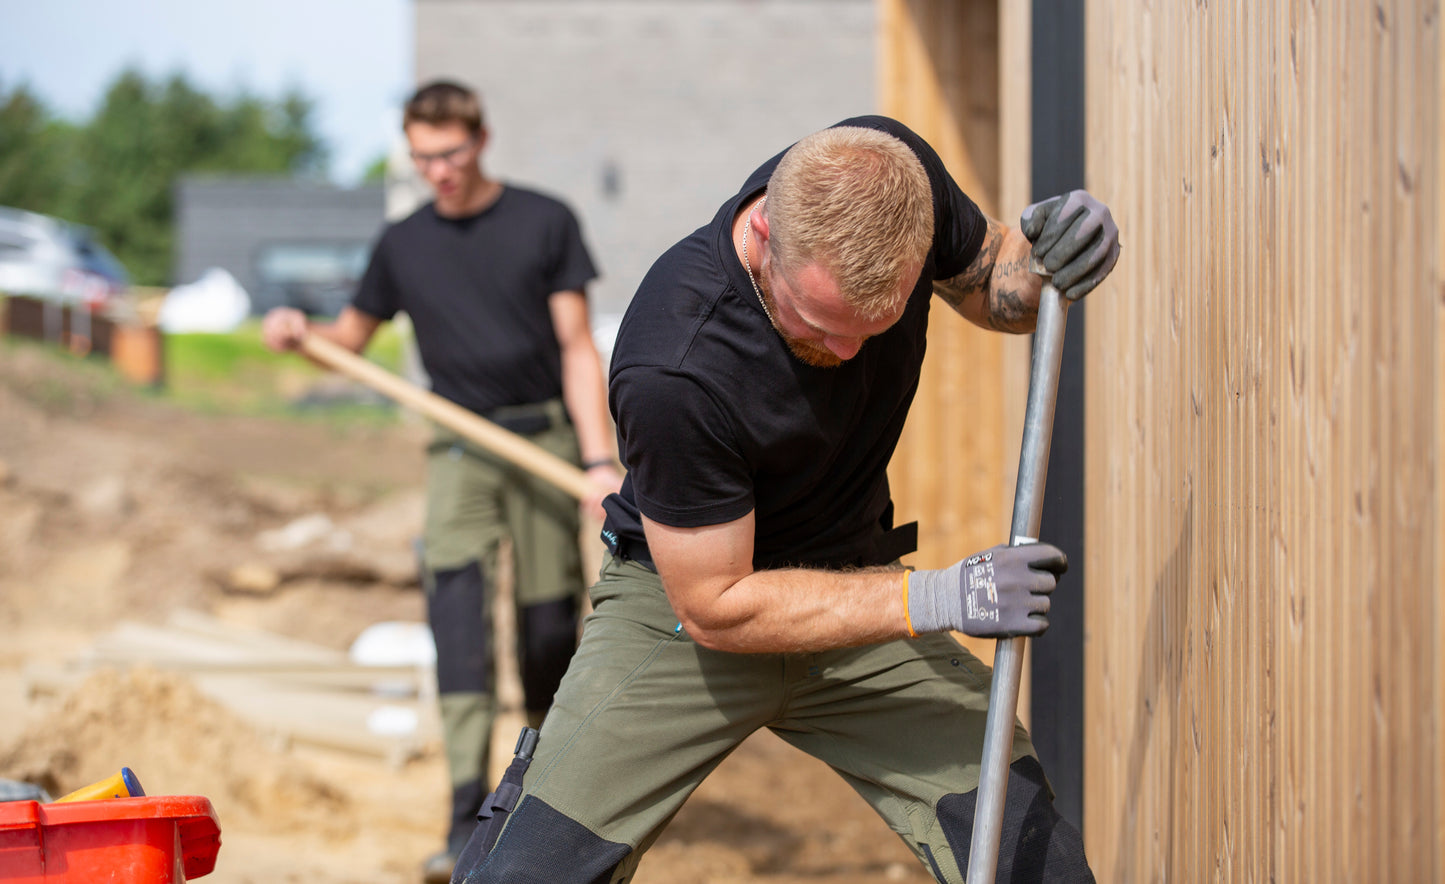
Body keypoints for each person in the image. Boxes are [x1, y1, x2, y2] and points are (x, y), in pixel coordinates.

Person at [451, 116, 1120, 883]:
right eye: (819, 324)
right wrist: (941, 595)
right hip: (684, 617)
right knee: (526, 876)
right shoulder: (675, 364)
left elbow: (998, 285)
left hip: (856, 600)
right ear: (765, 230)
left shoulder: (894, 183)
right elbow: (714, 604)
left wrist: (1053, 257)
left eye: (874, 329)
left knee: (1035, 861)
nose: (843, 354)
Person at [260, 80, 622, 884]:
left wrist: (597, 462)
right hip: (457, 446)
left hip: (542, 438)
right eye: (423, 158)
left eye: (451, 153)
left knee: (546, 622)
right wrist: (299, 333)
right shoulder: (402, 243)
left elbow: (574, 348)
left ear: (481, 139)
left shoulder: (544, 221)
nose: (439, 172)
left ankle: (542, 808)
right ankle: (463, 816)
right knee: (455, 611)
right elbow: (348, 338)